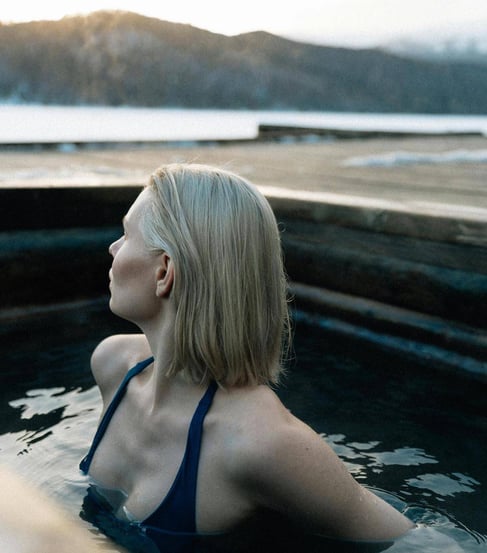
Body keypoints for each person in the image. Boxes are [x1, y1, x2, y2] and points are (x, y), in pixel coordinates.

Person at [80, 163, 413, 548]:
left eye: (126, 235)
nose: (113, 248)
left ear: (164, 272)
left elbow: (414, 543)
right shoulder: (113, 365)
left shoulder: (260, 444)